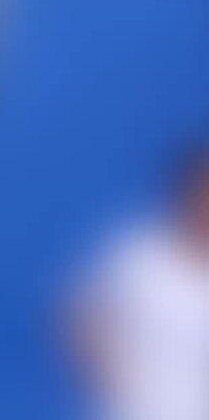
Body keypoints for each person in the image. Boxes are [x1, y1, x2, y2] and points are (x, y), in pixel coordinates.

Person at [71, 140, 209, 420]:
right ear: (186, 194)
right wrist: (117, 379)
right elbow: (79, 320)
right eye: (202, 197)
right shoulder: (140, 256)